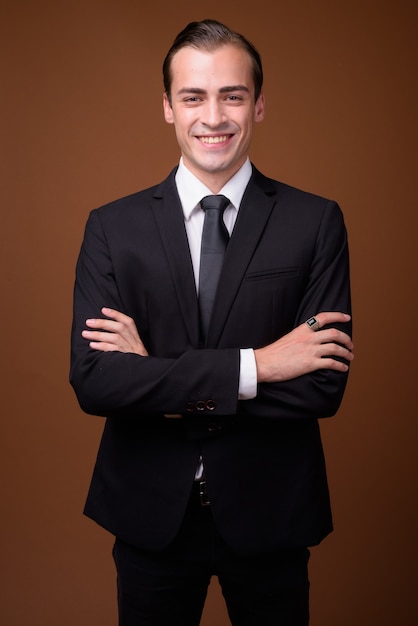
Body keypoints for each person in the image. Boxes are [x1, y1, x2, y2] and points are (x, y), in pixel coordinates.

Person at [70, 18, 354, 626]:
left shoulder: (316, 222)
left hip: (271, 511)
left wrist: (154, 377)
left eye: (233, 95)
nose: (214, 116)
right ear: (168, 108)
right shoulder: (111, 228)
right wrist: (261, 365)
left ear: (258, 105)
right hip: (150, 513)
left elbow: (322, 386)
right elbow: (95, 382)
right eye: (194, 97)